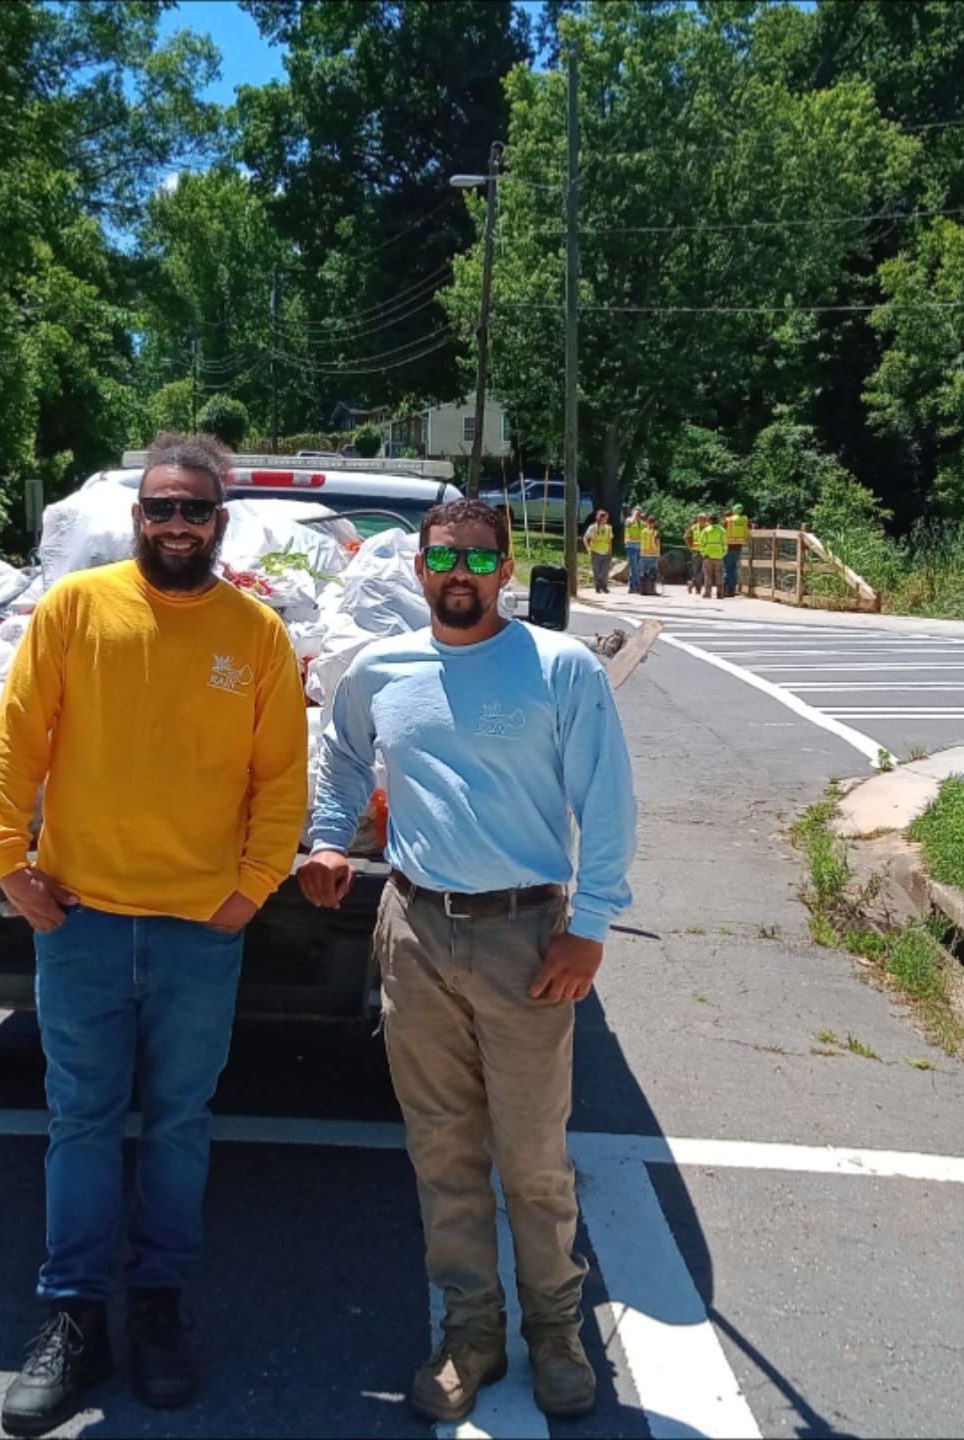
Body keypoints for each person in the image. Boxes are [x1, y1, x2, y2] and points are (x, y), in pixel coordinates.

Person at [0, 432, 308, 1436]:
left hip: (198, 931)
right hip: (79, 921)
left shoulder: (253, 634)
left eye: (194, 510)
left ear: (220, 522)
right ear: (138, 518)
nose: (176, 523)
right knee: (81, 1120)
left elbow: (280, 779)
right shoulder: (77, 610)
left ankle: (158, 1307)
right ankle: (72, 1317)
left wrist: (252, 889)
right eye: (161, 508)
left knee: (176, 1123)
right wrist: (8, 861)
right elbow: (17, 735)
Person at [298, 498, 636, 1426]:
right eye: (445, 560)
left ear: (507, 569)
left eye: (481, 563)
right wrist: (329, 841)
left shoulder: (557, 668)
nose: (461, 577)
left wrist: (591, 927)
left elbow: (606, 804)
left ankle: (557, 1331)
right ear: (418, 568)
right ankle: (470, 1332)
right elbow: (338, 758)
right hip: (414, 932)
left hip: (528, 936)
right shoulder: (381, 670)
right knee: (442, 1149)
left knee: (531, 1154)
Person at [582, 509, 613, 593]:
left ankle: (604, 586)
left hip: (606, 552)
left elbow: (610, 540)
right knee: (596, 571)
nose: (606, 520)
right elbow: (585, 538)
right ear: (600, 518)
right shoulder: (593, 527)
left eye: (607, 518)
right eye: (605, 518)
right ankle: (597, 587)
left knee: (605, 571)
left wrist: (610, 551)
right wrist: (588, 548)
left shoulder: (609, 528)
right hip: (595, 551)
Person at [699, 512, 728, 599]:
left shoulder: (706, 530)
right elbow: (725, 543)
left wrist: (703, 553)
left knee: (708, 575)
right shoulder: (722, 530)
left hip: (708, 555)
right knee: (719, 575)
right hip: (719, 555)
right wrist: (723, 553)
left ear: (710, 520)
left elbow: (702, 543)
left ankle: (708, 593)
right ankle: (720, 593)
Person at [724, 502, 750, 597]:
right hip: (739, 546)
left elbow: (722, 531)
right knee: (734, 568)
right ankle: (732, 590)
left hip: (728, 546)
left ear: (733, 510)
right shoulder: (744, 520)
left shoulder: (728, 520)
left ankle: (726, 589)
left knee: (727, 568)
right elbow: (749, 531)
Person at [624, 506, 644, 593]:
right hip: (631, 546)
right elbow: (629, 523)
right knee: (634, 567)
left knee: (637, 568)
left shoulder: (641, 523)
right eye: (637, 513)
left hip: (639, 546)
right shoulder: (629, 520)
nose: (638, 515)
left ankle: (631, 586)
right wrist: (634, 517)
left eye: (640, 513)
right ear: (633, 512)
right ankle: (637, 586)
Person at [638, 516, 661, 595]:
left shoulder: (643, 531)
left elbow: (641, 542)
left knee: (644, 573)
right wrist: (659, 554)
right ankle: (652, 590)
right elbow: (657, 544)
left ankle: (643, 590)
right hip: (653, 554)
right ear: (654, 523)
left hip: (644, 554)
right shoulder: (655, 532)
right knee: (653, 573)